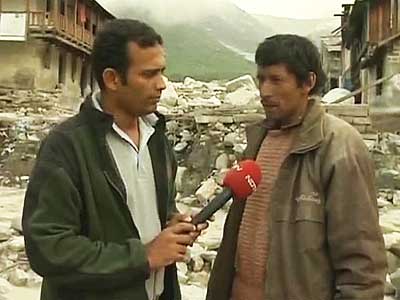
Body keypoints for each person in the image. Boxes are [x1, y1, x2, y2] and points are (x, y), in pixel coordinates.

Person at [22, 19, 206, 300]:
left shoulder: (155, 137)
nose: (162, 84)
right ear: (112, 79)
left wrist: (173, 224)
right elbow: (49, 248)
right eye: (149, 74)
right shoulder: (66, 146)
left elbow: (154, 211)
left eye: (162, 72)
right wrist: (143, 256)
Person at [206, 34, 387, 300]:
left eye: (277, 80)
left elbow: (362, 264)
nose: (265, 91)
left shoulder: (339, 147)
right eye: (261, 79)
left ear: (308, 82)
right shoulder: (258, 140)